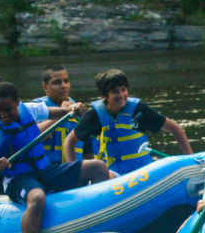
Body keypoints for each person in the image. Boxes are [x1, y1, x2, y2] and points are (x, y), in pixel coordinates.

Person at [0, 82, 109, 233]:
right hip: (17, 180)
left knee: (98, 167)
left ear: (17, 103)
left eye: (8, 109)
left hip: (45, 170)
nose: (3, 115)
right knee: (37, 198)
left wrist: (75, 109)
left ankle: (97, 223)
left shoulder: (28, 109)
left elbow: (63, 112)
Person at [64, 68, 192, 175]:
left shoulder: (139, 110)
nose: (121, 95)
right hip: (115, 176)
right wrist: (73, 175)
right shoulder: (95, 115)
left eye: (123, 89)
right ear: (104, 95)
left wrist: (191, 158)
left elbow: (175, 128)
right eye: (115, 92)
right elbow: (70, 142)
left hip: (143, 171)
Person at [33, 65, 89, 163]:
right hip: (48, 170)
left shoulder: (78, 109)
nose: (63, 86)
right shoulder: (36, 108)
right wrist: (63, 112)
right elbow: (33, 136)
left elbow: (88, 145)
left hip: (73, 168)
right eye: (57, 82)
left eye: (66, 81)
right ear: (45, 86)